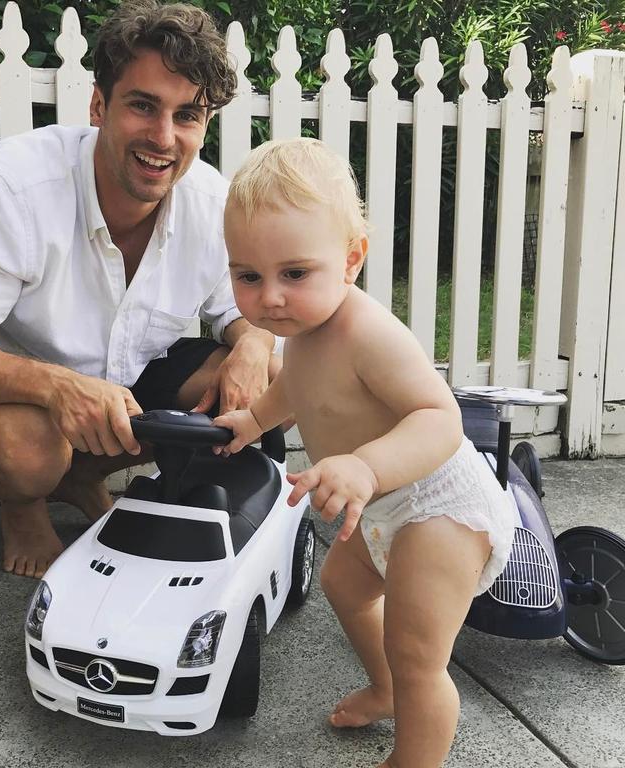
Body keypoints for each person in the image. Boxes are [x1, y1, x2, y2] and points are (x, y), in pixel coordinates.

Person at [0, 0, 278, 580]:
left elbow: (242, 306)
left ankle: (79, 477)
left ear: (205, 124)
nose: (164, 138)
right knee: (28, 449)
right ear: (99, 105)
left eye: (187, 115)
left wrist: (253, 345)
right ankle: (24, 504)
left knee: (260, 383)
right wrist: (54, 385)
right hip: (12, 401)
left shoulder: (212, 204)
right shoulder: (12, 186)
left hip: (126, 386)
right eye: (143, 106)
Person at [213, 138, 515, 768]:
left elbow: (441, 420)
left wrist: (365, 464)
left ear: (351, 261)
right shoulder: (300, 330)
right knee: (343, 585)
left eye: (294, 273)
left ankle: (414, 752)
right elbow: (297, 389)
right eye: (248, 276)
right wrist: (253, 417)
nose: (270, 297)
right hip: (379, 504)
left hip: (439, 503)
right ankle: (386, 691)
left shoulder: (367, 331)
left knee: (419, 654)